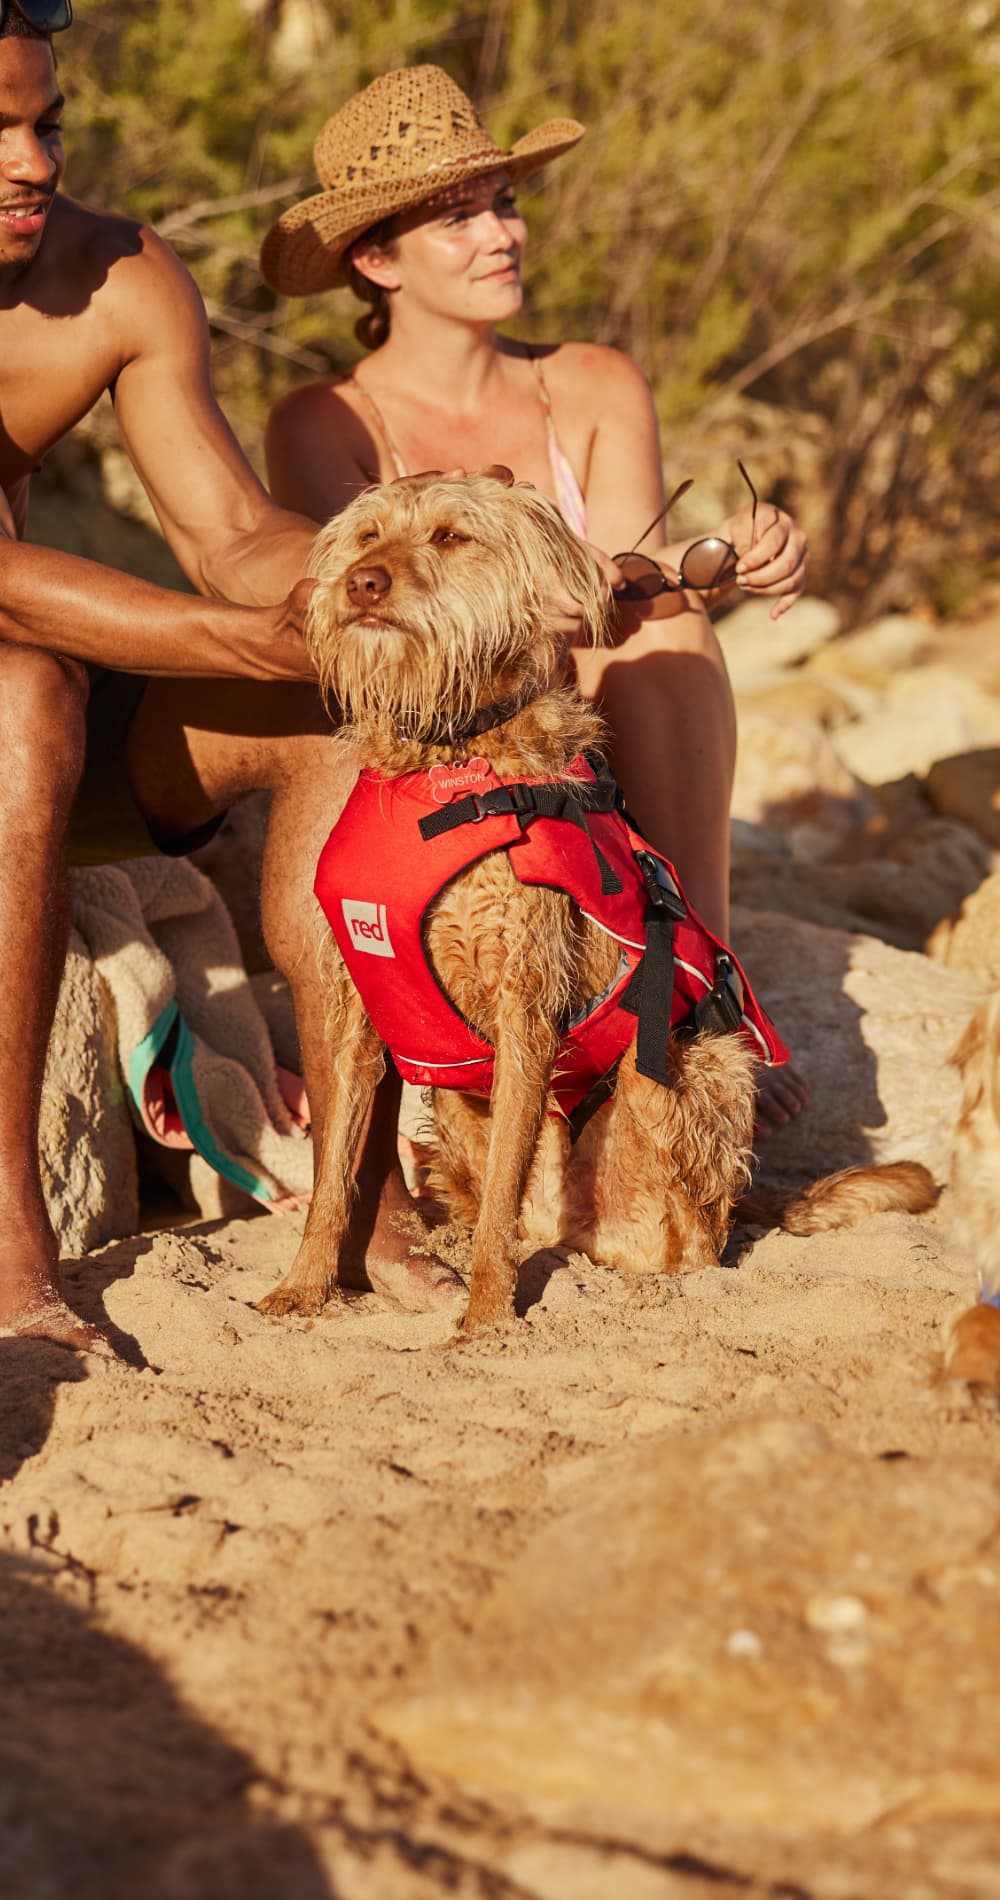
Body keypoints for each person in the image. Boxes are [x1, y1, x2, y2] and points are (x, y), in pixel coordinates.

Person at [0, 8, 480, 1346]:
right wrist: (237, 637)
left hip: (32, 742)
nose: (30, 160)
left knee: (331, 702)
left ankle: (356, 1194)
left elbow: (227, 534)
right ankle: (9, 1236)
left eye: (44, 123)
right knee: (26, 697)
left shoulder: (115, 273)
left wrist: (354, 591)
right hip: (16, 707)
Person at [261, 65, 810, 1134]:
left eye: (502, 204)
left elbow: (627, 573)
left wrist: (727, 555)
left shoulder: (593, 381)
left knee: (669, 628)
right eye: (456, 220)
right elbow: (365, 620)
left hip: (575, 707)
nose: (500, 235)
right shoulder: (323, 419)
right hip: (431, 726)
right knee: (620, 622)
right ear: (376, 261)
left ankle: (698, 979)